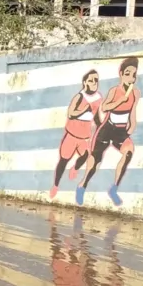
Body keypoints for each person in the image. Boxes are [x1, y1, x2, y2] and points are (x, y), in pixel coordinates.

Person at [77, 57, 139, 207]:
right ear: (121, 74)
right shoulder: (114, 91)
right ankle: (82, 185)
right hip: (107, 129)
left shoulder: (135, 93)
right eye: (128, 73)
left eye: (133, 75)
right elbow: (104, 108)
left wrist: (132, 125)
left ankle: (114, 188)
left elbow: (132, 112)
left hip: (121, 130)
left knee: (129, 152)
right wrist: (120, 101)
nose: (131, 78)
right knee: (95, 161)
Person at [50, 69, 101, 199]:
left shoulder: (98, 98)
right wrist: (84, 108)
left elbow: (95, 116)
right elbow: (71, 114)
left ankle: (75, 168)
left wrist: (101, 127)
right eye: (91, 80)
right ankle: (55, 185)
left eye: (96, 80)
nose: (94, 83)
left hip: (84, 137)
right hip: (71, 135)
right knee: (63, 161)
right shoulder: (79, 96)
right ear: (85, 83)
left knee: (85, 156)